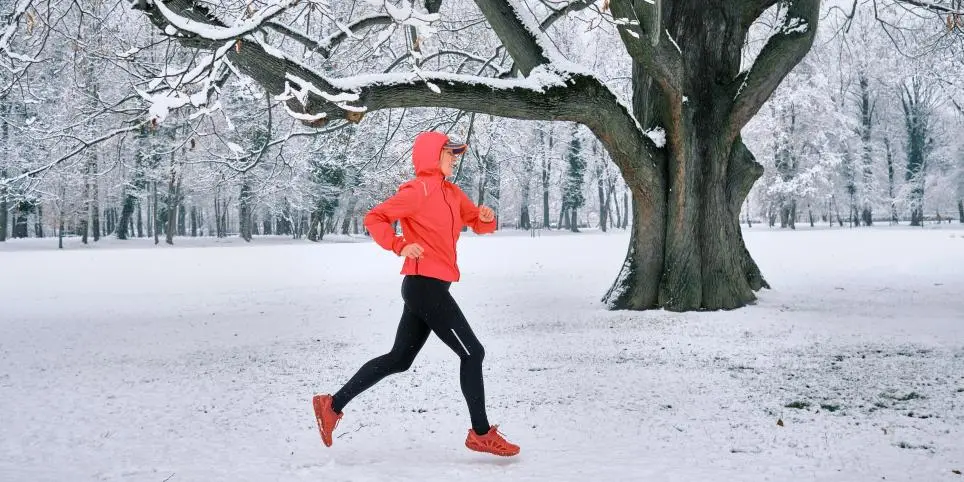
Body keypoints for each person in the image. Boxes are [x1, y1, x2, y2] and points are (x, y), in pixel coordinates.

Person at [311, 131, 520, 457]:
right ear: (432, 155)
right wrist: (398, 244)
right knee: (472, 353)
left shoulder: (451, 193)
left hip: (429, 288)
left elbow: (474, 221)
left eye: (456, 153)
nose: (455, 158)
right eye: (450, 153)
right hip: (424, 287)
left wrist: (485, 218)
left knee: (399, 359)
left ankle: (331, 405)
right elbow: (375, 217)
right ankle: (480, 434)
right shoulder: (417, 190)